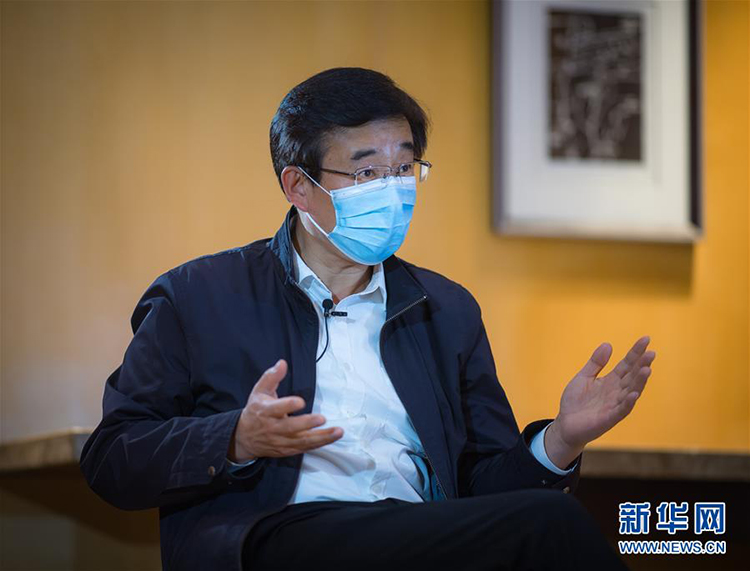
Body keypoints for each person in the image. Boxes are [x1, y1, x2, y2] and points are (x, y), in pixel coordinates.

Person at [80, 67, 655, 571]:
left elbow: (486, 492)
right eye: (366, 173)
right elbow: (112, 458)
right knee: (552, 526)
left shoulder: (445, 309)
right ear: (298, 186)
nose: (393, 191)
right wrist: (235, 438)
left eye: (404, 168)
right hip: (279, 535)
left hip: (420, 536)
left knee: (542, 522)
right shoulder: (198, 295)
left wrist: (560, 440)